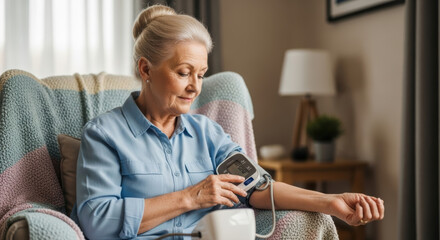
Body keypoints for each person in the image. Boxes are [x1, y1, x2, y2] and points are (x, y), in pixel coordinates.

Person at [72, 5, 384, 239]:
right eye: (183, 72)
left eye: (201, 74)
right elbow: (96, 220)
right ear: (146, 69)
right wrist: (191, 197)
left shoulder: (207, 133)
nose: (195, 86)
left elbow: (258, 187)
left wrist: (330, 202)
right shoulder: (104, 136)